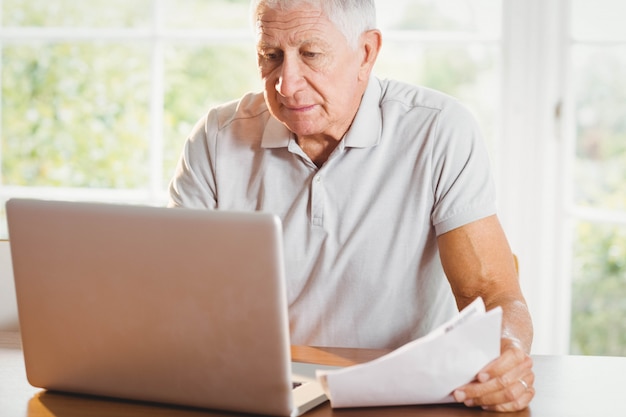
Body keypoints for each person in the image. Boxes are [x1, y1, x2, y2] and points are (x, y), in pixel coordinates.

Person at [168, 0, 534, 412]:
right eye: (271, 56)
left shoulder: (439, 130)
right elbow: (176, 296)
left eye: (311, 54)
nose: (287, 84)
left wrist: (508, 353)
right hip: (254, 391)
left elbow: (493, 294)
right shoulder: (216, 138)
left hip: (402, 398)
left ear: (366, 53)